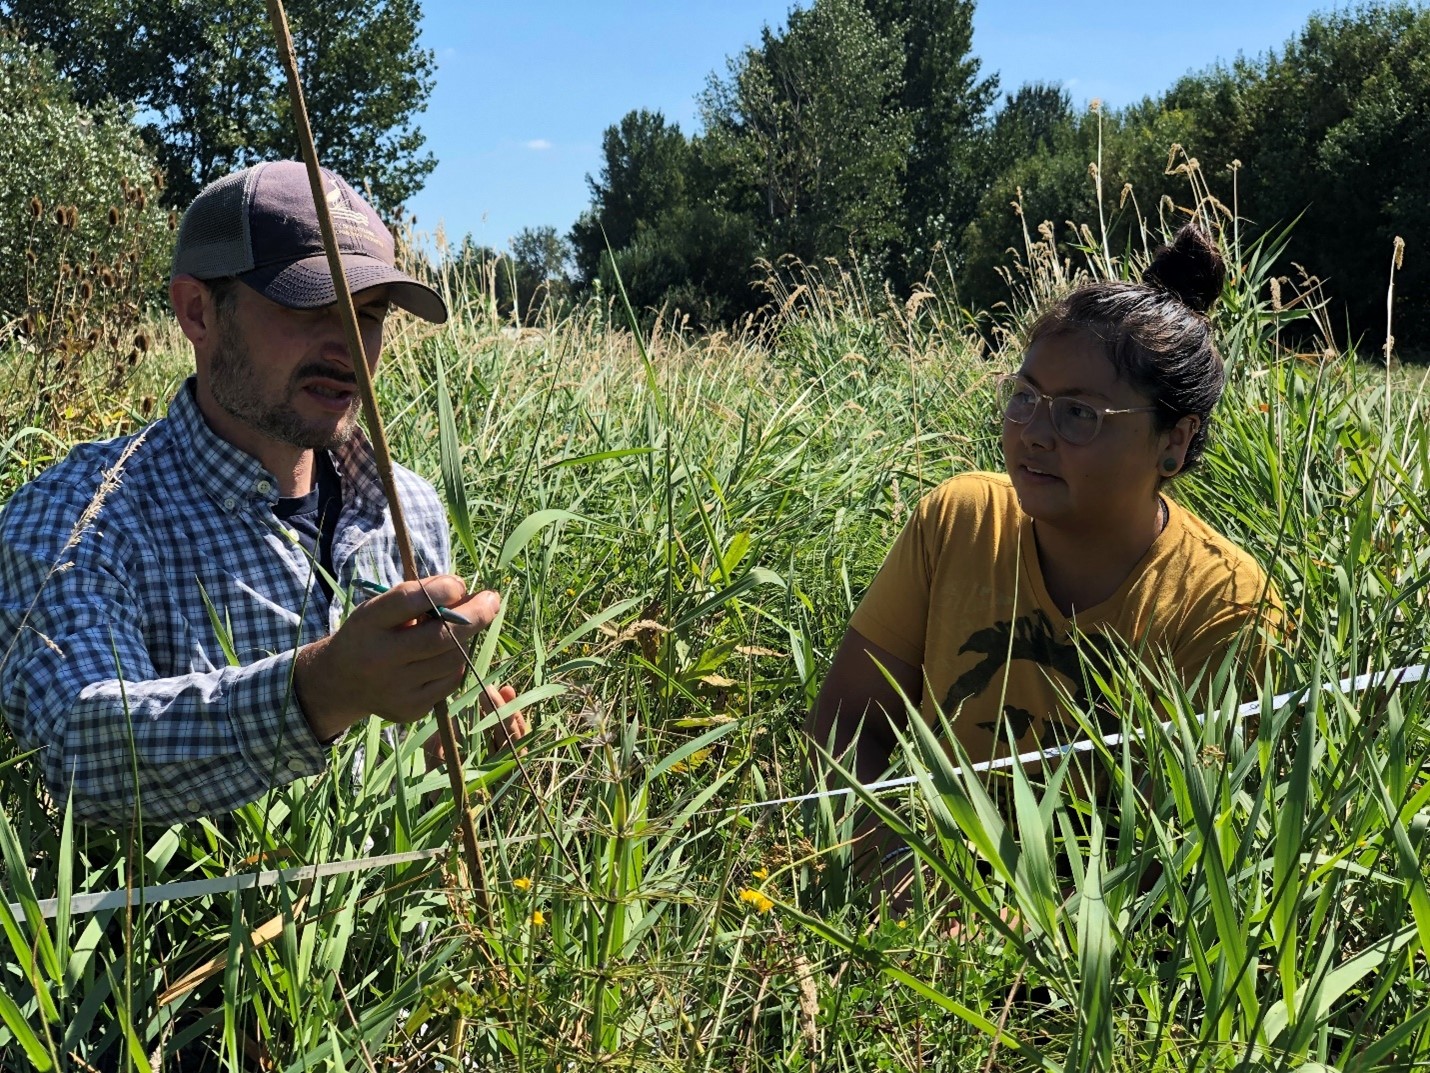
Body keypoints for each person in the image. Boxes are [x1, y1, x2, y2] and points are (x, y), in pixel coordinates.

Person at [0, 160, 525, 828]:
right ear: (197, 311)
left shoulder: (408, 507)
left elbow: (414, 778)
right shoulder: (83, 513)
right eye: (310, 305)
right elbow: (77, 750)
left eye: (367, 314)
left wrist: (463, 763)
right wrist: (320, 692)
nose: (348, 347)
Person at [809, 224, 1278, 867]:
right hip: (922, 893)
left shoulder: (1225, 604)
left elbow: (1177, 853)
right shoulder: (959, 521)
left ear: (1173, 440)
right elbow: (849, 717)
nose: (1032, 432)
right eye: (1025, 397)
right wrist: (882, 867)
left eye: (1079, 414)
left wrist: (1029, 931)